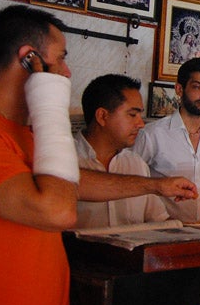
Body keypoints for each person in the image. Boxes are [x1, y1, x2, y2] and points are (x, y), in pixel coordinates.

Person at [0, 5, 197, 305]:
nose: (68, 72)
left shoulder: (19, 133)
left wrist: (156, 185)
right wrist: (49, 103)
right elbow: (57, 208)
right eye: (61, 58)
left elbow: (72, 181)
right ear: (29, 60)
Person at [134, 58, 200, 225]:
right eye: (197, 87)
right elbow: (131, 184)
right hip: (162, 234)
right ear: (179, 89)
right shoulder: (152, 135)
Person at [75, 74, 176, 228]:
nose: (141, 124)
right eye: (132, 115)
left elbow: (159, 221)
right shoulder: (65, 159)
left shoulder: (136, 163)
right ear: (102, 116)